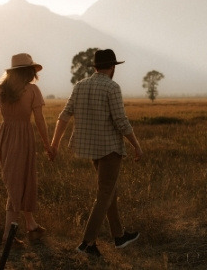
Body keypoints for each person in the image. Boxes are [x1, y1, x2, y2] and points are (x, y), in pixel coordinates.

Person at [51, 49, 143, 257]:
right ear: (112, 68)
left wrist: (54, 143)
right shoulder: (112, 87)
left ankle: (119, 236)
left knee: (110, 191)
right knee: (105, 194)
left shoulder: (80, 86)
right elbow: (121, 121)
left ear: (94, 67)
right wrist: (136, 145)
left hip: (92, 149)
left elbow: (64, 116)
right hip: (110, 148)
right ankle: (87, 243)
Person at [0, 53, 52, 247]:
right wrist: (47, 143)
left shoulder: (0, 89)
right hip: (24, 137)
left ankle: (31, 226)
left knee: (21, 180)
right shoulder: (33, 90)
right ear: (29, 72)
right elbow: (40, 120)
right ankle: (7, 237)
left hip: (5, 135)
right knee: (17, 184)